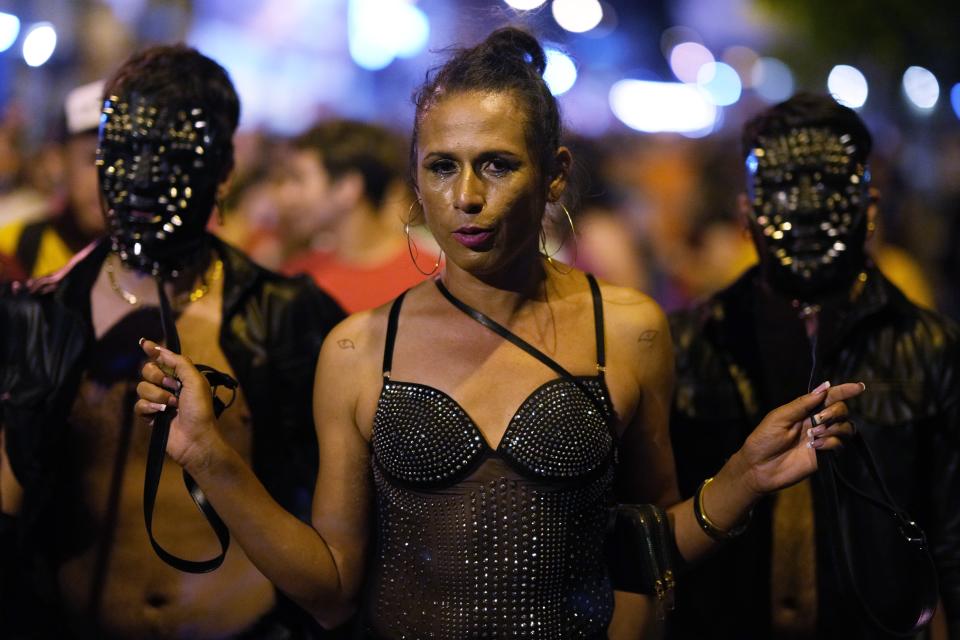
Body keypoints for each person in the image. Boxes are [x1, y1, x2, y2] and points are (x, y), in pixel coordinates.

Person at [134, 30, 860, 639]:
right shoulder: (358, 349)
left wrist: (743, 481)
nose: (467, 197)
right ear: (416, 179)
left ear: (554, 175)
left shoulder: (629, 329)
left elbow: (647, 552)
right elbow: (330, 589)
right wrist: (208, 455)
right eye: (442, 167)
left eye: (498, 165)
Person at [0, 45, 344, 638]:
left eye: (171, 154)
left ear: (225, 170)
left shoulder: (289, 319)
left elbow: (335, 532)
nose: (141, 177)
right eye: (124, 152)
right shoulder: (38, 314)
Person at [668, 92, 960, 639]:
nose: (803, 207)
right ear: (745, 215)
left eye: (826, 185)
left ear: (870, 210)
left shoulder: (931, 348)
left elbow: (953, 541)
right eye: (780, 189)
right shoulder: (684, 345)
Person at [278, 119, 438, 313]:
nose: (286, 195)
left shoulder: (432, 279)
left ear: (347, 187)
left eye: (299, 179)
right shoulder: (295, 279)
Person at [0, 79, 106, 279]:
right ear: (58, 161)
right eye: (94, 158)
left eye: (123, 159)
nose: (107, 177)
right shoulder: (12, 247)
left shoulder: (154, 260)